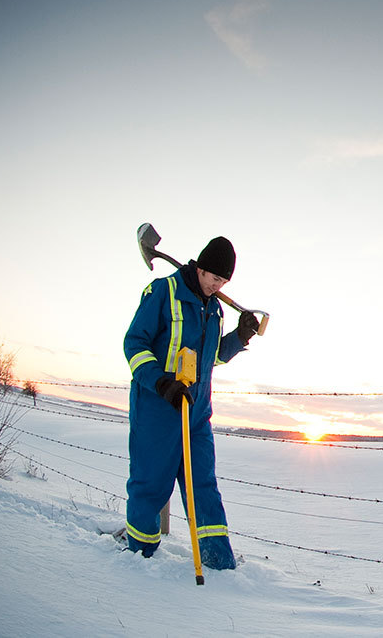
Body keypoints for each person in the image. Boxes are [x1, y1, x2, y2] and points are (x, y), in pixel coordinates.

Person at [123, 236, 259, 570]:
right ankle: (140, 558)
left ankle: (218, 563)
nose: (218, 285)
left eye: (224, 281)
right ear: (199, 269)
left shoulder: (215, 310)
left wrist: (240, 337)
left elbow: (209, 359)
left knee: (204, 487)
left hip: (197, 413)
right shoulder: (163, 292)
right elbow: (134, 344)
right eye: (214, 278)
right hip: (158, 408)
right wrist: (160, 382)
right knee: (151, 484)